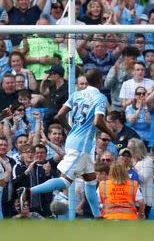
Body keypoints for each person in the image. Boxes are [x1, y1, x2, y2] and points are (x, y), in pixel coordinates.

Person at [17, 70, 116, 219]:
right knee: (65, 181)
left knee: (90, 180)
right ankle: (29, 191)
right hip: (82, 145)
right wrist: (113, 135)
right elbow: (97, 121)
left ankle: (98, 216)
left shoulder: (76, 94)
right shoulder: (100, 97)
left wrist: (70, 129)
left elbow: (60, 115)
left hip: (75, 140)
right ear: (100, 81)